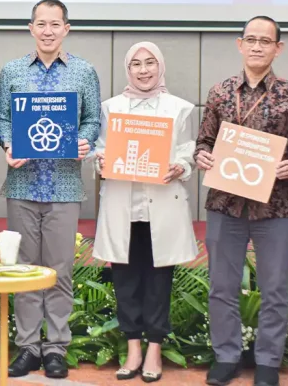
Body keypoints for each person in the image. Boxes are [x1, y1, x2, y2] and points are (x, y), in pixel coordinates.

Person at [194, 16, 288, 386]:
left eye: (266, 40)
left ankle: (267, 362)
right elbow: (204, 143)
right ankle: (227, 356)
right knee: (221, 285)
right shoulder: (220, 92)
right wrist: (201, 156)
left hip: (275, 208)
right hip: (225, 205)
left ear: (278, 48)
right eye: (251, 39)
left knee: (275, 288)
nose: (258, 46)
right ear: (239, 44)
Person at [0, 0, 100, 379]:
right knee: (24, 271)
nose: (48, 31)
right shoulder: (11, 71)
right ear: (31, 28)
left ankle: (56, 348)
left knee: (59, 271)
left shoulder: (84, 72)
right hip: (22, 184)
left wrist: (86, 141)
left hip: (64, 185)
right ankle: (27, 347)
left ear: (66, 29)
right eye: (41, 23)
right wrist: (8, 144)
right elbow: (3, 118)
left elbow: (92, 119)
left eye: (55, 24)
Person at [92, 42, 199, 383]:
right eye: (135, 64)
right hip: (123, 205)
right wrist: (101, 159)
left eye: (149, 63)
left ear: (160, 66)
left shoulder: (179, 108)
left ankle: (154, 347)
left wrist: (180, 167)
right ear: (128, 69)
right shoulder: (111, 108)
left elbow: (188, 151)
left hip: (161, 205)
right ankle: (133, 346)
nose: (143, 70)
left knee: (157, 280)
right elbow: (99, 148)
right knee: (125, 279)